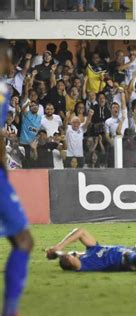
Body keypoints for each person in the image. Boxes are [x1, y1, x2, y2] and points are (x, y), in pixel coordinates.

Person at [0, 42, 34, 316]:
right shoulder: (1, 92)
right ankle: (11, 311)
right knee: (23, 241)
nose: (12, 66)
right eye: (10, 59)